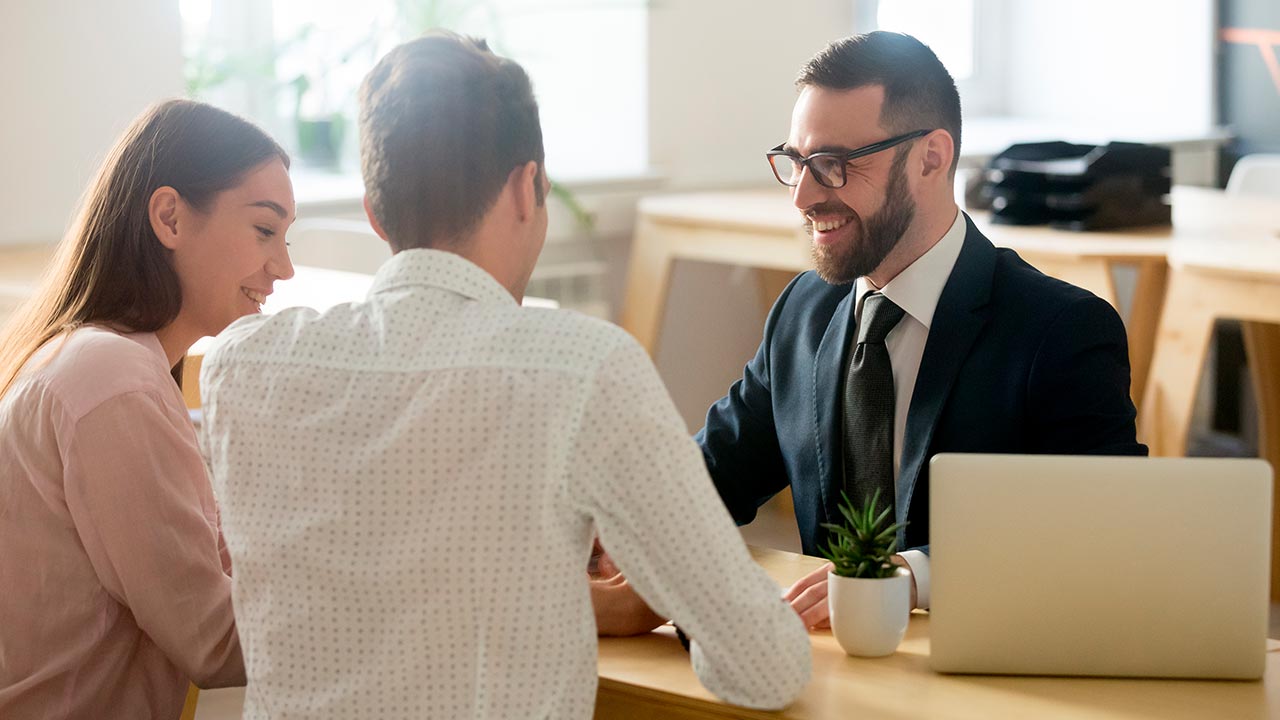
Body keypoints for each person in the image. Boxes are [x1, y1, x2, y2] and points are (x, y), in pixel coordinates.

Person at [199, 31, 809, 719]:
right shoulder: (584, 369)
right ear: (528, 188)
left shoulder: (239, 366)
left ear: (375, 215)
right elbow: (767, 664)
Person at [694, 31, 1148, 626]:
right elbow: (709, 476)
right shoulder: (804, 311)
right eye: (797, 162)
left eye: (833, 165)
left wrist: (908, 578)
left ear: (931, 157)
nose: (803, 195)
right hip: (824, 673)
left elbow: (1103, 527)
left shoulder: (1061, 331)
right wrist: (602, 537)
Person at [0, 99, 295, 718]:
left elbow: (204, 569)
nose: (284, 267)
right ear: (169, 217)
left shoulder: (87, 357)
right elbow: (212, 641)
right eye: (265, 230)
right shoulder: (112, 378)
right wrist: (392, 596)